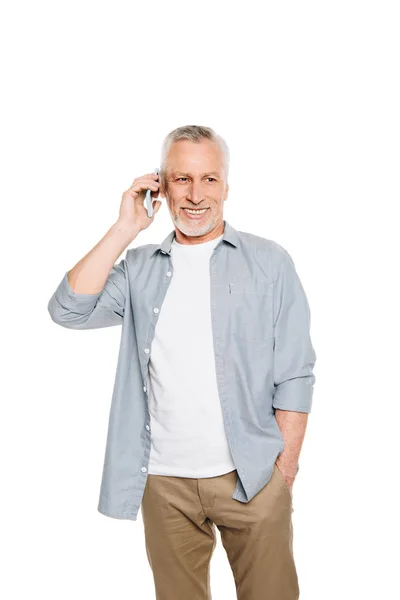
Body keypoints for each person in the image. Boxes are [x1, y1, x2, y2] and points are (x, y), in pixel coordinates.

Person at [48, 124, 317, 600]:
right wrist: (126, 227)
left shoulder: (269, 262)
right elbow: (68, 310)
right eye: (181, 179)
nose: (195, 195)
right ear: (161, 185)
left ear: (227, 186)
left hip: (252, 477)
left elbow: (295, 371)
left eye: (208, 179)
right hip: (163, 481)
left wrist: (284, 473)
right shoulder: (139, 270)